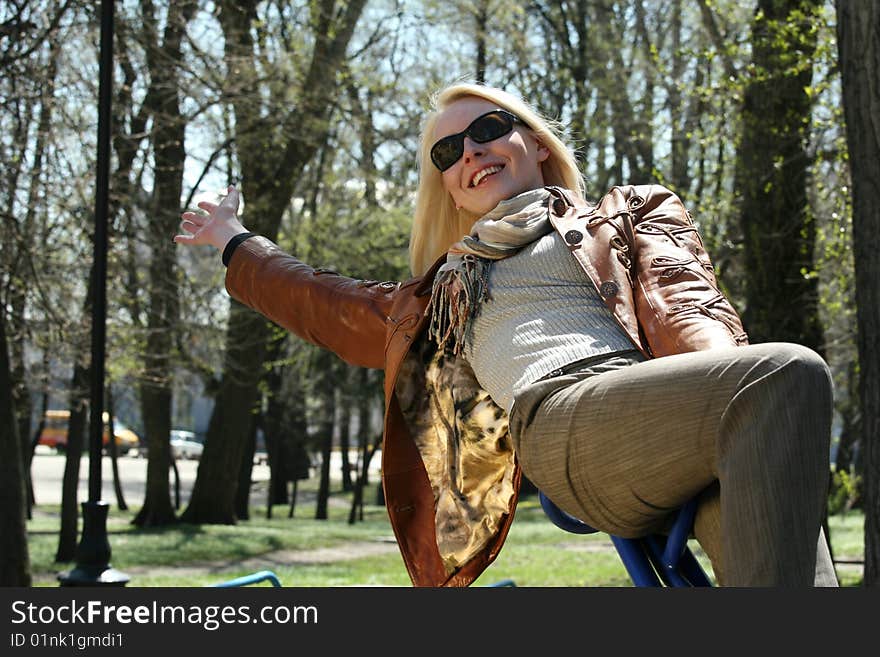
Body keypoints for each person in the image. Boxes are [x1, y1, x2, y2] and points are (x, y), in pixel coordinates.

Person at [175, 81, 838, 587]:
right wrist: (234, 240)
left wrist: (728, 404)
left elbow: (692, 310)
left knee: (783, 519)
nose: (471, 150)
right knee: (785, 375)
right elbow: (328, 304)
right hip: (561, 423)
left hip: (672, 412)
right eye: (448, 151)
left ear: (537, 145)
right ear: (451, 192)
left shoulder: (628, 213)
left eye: (490, 128)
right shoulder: (439, 296)